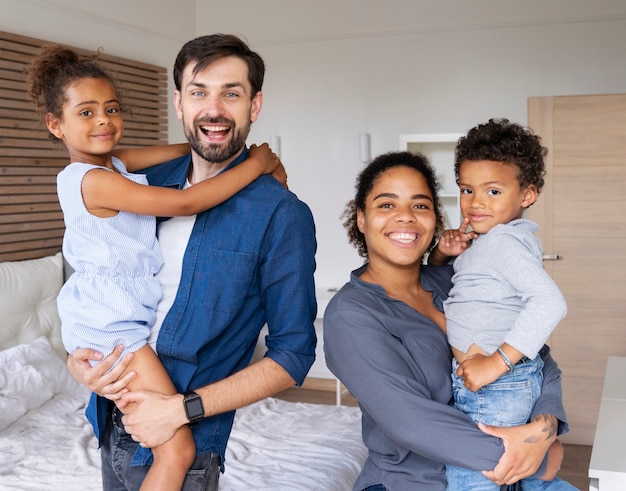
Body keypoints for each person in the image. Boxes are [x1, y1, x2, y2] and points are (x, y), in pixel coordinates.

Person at [26, 45, 286, 491]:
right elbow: (185, 201)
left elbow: (190, 152)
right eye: (86, 113)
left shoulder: (116, 166)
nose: (104, 120)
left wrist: (240, 158)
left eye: (110, 109)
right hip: (114, 326)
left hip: (111, 318)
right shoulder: (93, 181)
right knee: (178, 449)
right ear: (56, 124)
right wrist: (260, 162)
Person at [323, 151, 569, 491]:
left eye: (420, 205)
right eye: (387, 205)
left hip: (507, 474)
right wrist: (538, 459)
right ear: (361, 218)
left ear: (436, 219)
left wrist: (544, 430)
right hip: (417, 483)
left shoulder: (455, 281)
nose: (406, 217)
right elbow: (411, 422)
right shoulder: (350, 315)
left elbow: (539, 358)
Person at [427, 119, 575, 490]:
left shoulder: (501, 244)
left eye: (493, 191)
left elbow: (549, 303)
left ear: (527, 195)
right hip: (498, 385)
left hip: (495, 387)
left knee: (474, 479)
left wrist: (496, 363)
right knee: (512, 474)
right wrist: (443, 256)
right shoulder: (490, 241)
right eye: (466, 189)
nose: (475, 202)